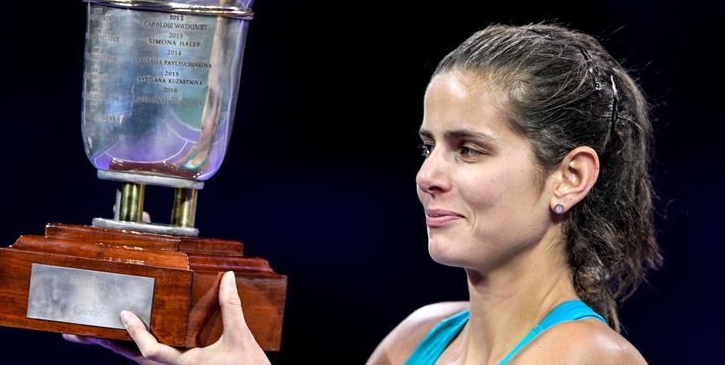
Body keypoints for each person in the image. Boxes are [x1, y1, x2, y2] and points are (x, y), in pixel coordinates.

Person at [66, 22, 662, 364]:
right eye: (429, 146)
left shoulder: (588, 357)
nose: (429, 174)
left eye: (469, 149)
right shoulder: (415, 339)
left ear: (571, 177)